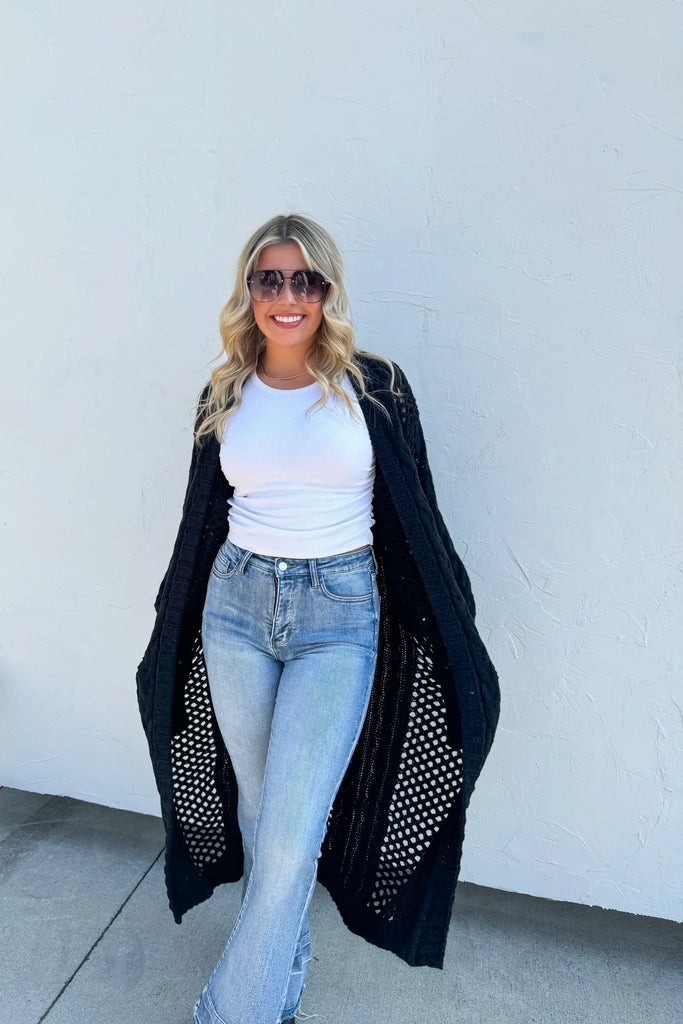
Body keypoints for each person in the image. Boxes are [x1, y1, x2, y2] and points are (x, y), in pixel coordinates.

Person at [135, 213, 501, 1024]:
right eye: (270, 279)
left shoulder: (376, 389)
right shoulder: (224, 391)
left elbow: (418, 517)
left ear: (328, 291)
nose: (288, 296)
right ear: (248, 291)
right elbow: (201, 521)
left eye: (306, 280)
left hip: (338, 617)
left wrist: (450, 623)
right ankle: (281, 974)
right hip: (235, 608)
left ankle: (233, 1011)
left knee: (291, 833)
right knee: (260, 813)